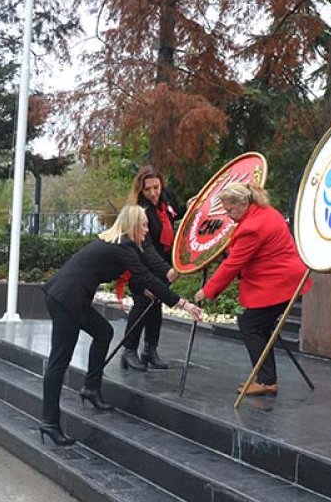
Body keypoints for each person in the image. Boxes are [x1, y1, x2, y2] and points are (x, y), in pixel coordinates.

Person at [39, 204, 202, 446]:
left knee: (103, 332)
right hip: (67, 300)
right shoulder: (122, 246)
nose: (147, 230)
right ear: (134, 225)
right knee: (59, 361)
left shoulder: (121, 243)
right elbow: (145, 277)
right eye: (144, 225)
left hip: (69, 297)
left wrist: (169, 274)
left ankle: (91, 388)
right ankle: (50, 423)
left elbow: (146, 269)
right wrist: (183, 304)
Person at [193, 182, 311, 396]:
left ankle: (266, 381)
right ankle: (265, 378)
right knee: (259, 326)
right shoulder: (266, 212)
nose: (228, 216)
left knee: (250, 325)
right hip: (285, 278)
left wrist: (206, 291)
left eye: (230, 210)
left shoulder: (251, 227)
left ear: (244, 202)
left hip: (278, 282)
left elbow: (233, 264)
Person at [120, 166, 186, 371]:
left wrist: (188, 206)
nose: (153, 193)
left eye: (156, 187)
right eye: (148, 189)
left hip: (164, 261)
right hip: (141, 263)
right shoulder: (139, 209)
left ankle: (150, 349)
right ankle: (129, 350)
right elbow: (146, 248)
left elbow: (175, 215)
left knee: (156, 306)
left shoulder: (166, 197)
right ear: (141, 190)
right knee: (142, 303)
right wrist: (167, 270)